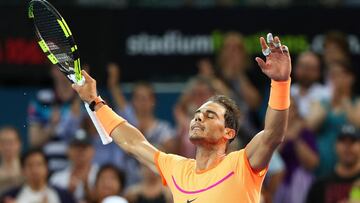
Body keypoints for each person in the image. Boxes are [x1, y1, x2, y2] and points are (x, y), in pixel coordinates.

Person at [72, 33, 291, 203]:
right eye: (196, 114)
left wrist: (281, 83)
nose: (198, 119)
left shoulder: (241, 164)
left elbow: (272, 134)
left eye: (209, 115)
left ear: (228, 132)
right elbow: (133, 143)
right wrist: (95, 102)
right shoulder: (177, 169)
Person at [27, 65, 83, 172]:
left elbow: (95, 138)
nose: (63, 72)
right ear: (52, 71)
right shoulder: (42, 98)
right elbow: (34, 142)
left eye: (67, 67)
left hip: (78, 170)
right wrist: (52, 125)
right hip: (48, 170)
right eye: (59, 67)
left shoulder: (86, 99)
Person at [306, 124, 360, 203]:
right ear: (335, 146)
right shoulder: (320, 185)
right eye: (343, 141)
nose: (348, 147)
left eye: (353, 141)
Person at [0, 148, 75, 203]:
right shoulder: (10, 196)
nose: (35, 170)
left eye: (39, 164)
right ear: (22, 170)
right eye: (30, 165)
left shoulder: (63, 195)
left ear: (47, 168)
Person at [50, 129, 99, 202]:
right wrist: (67, 193)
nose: (80, 151)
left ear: (92, 151)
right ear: (68, 151)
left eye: (84, 147)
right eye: (76, 147)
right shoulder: (57, 179)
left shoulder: (102, 175)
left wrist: (87, 188)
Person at [0, 126, 23, 195]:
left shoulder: (28, 169)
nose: (7, 147)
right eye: (3, 142)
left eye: (11, 142)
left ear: (19, 144)